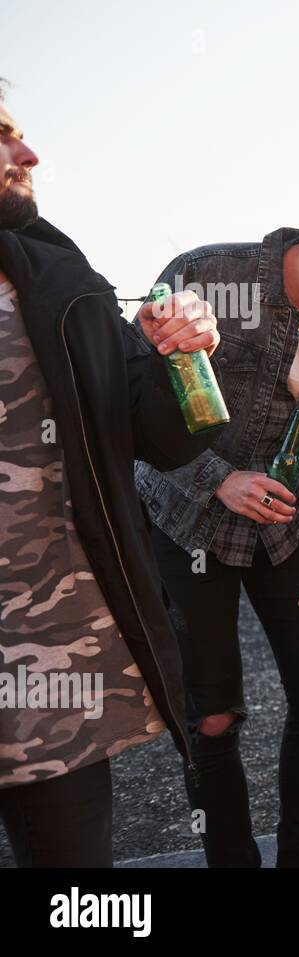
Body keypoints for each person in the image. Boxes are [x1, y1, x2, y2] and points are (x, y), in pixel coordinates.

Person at [134, 154, 299, 867]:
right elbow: (128, 405)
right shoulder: (206, 276)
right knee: (213, 715)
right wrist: (218, 478)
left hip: (294, 534)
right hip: (187, 521)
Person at [0, 79, 221, 866]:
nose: (26, 154)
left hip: (51, 670)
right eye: (1, 136)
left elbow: (158, 435)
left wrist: (181, 352)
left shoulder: (60, 281)